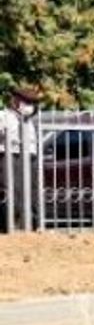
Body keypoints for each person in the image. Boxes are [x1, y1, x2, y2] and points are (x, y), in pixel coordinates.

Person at [1, 87, 40, 231]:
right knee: (12, 192)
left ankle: (33, 225)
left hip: (30, 156)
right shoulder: (4, 116)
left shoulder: (30, 120)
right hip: (10, 156)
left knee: (32, 192)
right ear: (15, 101)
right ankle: (8, 226)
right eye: (26, 102)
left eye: (32, 103)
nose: (29, 106)